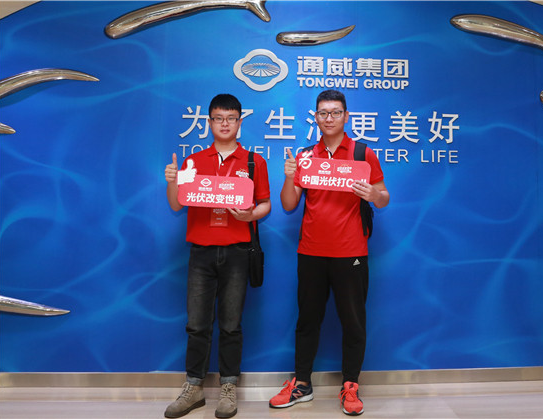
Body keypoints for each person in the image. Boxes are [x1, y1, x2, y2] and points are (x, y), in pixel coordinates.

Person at [269, 90, 389, 416]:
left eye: (335, 112)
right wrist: (290, 177)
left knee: (353, 322)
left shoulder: (363, 153)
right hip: (311, 250)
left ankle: (350, 385)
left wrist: (373, 194)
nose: (329, 118)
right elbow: (289, 204)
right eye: (323, 113)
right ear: (316, 118)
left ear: (346, 116)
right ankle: (302, 384)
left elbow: (384, 197)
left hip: (351, 251)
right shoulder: (306, 155)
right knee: (307, 320)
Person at [164, 93, 271, 419]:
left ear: (239, 122)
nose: (225, 124)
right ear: (209, 122)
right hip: (201, 253)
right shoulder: (193, 162)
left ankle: (228, 387)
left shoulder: (254, 162)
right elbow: (176, 204)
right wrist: (172, 181)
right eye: (219, 118)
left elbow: (265, 205)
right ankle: (194, 387)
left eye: (231, 118)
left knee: (231, 324)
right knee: (197, 324)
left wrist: (249, 215)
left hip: (237, 253)